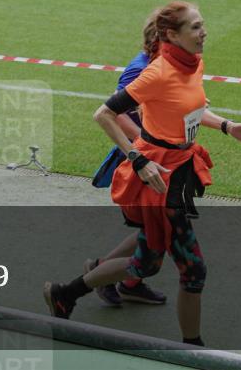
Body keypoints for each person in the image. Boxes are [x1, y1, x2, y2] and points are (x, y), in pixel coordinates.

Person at [44, 1, 241, 346]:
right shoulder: (157, 72)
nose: (203, 32)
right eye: (194, 27)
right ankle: (192, 348)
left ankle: (67, 292)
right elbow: (103, 114)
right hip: (158, 175)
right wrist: (137, 159)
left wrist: (226, 125)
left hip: (178, 170)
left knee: (147, 261)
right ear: (171, 35)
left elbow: (191, 109)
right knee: (191, 269)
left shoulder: (192, 64)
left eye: (202, 24)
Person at [87, 17, 167, 307]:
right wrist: (143, 144)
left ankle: (125, 280)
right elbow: (114, 111)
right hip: (142, 159)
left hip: (158, 156)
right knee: (160, 226)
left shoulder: (163, 65)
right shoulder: (138, 69)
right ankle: (98, 275)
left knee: (159, 225)